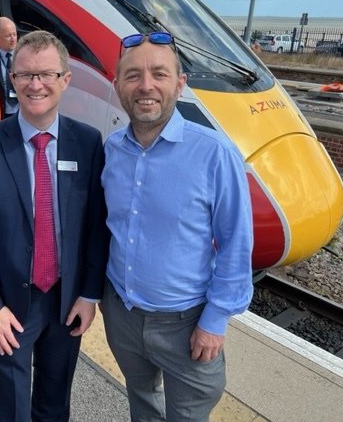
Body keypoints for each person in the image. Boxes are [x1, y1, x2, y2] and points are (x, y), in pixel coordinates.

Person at [101, 31, 254, 422]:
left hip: (187, 324)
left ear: (180, 84)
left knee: (187, 415)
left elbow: (237, 243)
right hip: (122, 312)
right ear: (118, 86)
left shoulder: (215, 154)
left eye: (159, 74)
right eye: (133, 76)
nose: (146, 86)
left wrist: (215, 320)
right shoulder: (111, 150)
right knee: (142, 401)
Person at [0, 30, 108, 421]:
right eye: (25, 75)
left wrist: (89, 295)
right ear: (12, 79)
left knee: (54, 402)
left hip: (66, 300)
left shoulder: (88, 143)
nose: (35, 84)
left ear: (65, 80)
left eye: (46, 75)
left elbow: (95, 227)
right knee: (10, 406)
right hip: (7, 304)